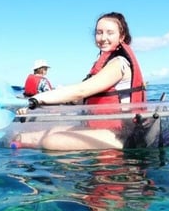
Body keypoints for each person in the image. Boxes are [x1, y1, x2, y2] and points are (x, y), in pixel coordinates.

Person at [14, 12, 156, 151]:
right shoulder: (103, 63)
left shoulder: (119, 64)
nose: (103, 37)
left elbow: (81, 91)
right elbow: (84, 99)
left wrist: (36, 99)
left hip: (123, 134)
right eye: (99, 32)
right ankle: (20, 170)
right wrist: (39, 104)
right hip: (101, 128)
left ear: (122, 36)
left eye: (110, 32)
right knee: (25, 137)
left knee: (52, 141)